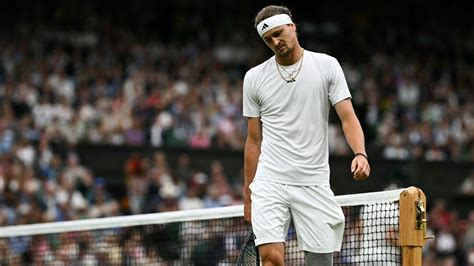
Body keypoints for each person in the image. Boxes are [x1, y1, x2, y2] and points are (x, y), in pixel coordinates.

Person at [242, 5, 370, 265]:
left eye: (278, 33)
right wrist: (248, 195)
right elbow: (254, 141)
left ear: (292, 27)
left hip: (313, 180)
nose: (275, 42)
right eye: (268, 39)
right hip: (270, 181)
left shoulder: (326, 65)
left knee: (320, 261)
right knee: (271, 258)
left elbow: (348, 118)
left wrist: (360, 153)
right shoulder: (254, 78)